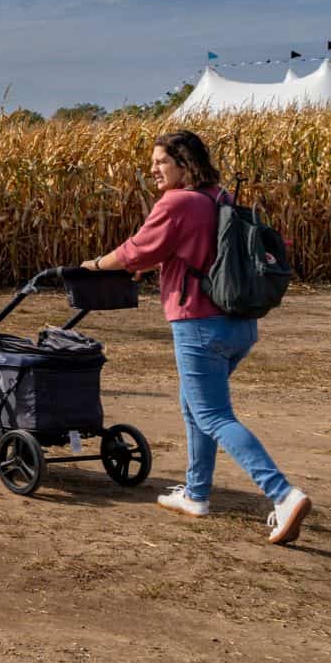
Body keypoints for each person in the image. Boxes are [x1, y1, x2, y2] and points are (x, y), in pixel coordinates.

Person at [82, 129, 311, 545]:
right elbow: (189, 250)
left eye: (161, 162)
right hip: (239, 323)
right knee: (196, 407)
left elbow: (136, 250)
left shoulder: (178, 201)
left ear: (185, 164)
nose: (153, 170)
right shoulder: (218, 197)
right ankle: (196, 493)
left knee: (212, 414)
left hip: (198, 322)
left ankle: (283, 495)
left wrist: (96, 264)